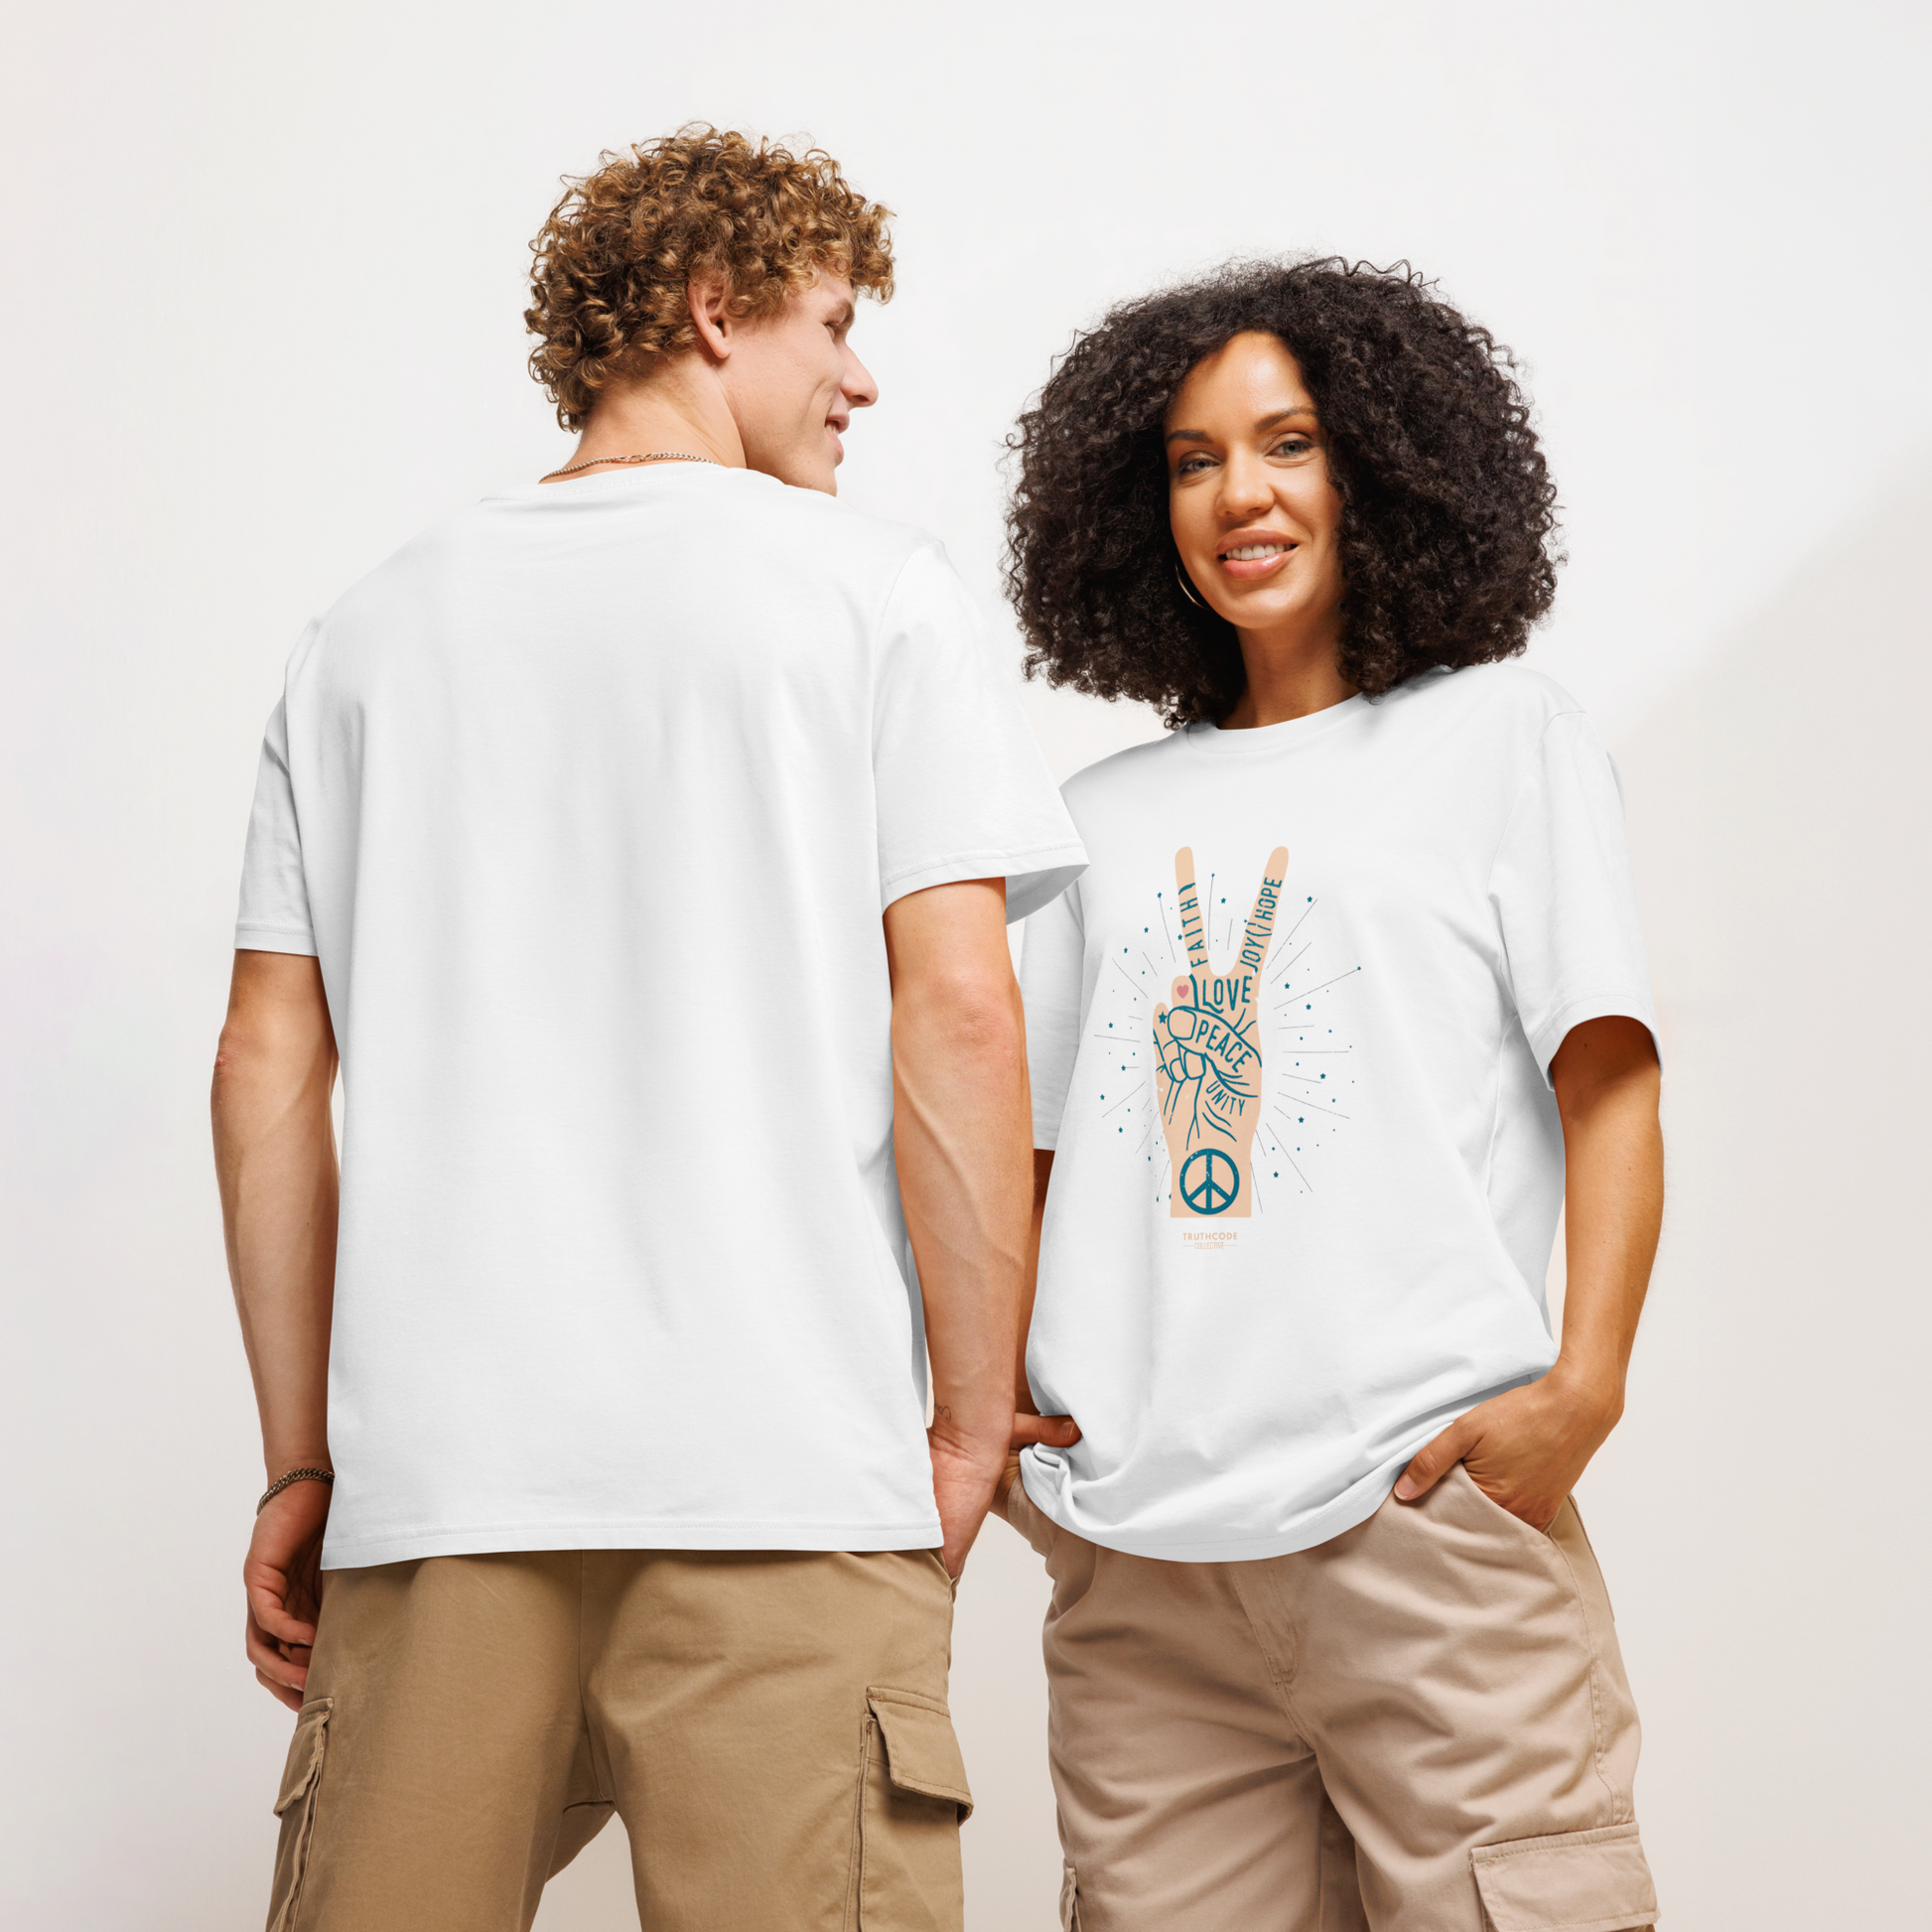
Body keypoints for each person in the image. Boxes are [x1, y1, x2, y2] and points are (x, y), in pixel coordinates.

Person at [212, 125, 1084, 1932]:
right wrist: (970, 1418)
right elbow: (962, 1014)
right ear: (711, 307)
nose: (863, 375)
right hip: (783, 1471)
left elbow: (270, 1069)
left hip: (439, 1484)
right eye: (832, 322)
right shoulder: (873, 599)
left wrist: (305, 1453)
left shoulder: (359, 637)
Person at [999, 259, 1663, 1932]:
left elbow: (1609, 1074)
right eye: (1190, 457)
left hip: (1420, 1517)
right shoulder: (1094, 818)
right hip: (1141, 1558)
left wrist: (1582, 1382)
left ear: (1375, 463)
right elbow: (1033, 1152)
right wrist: (998, 1410)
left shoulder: (1500, 738)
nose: (1240, 494)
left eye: (1286, 442)